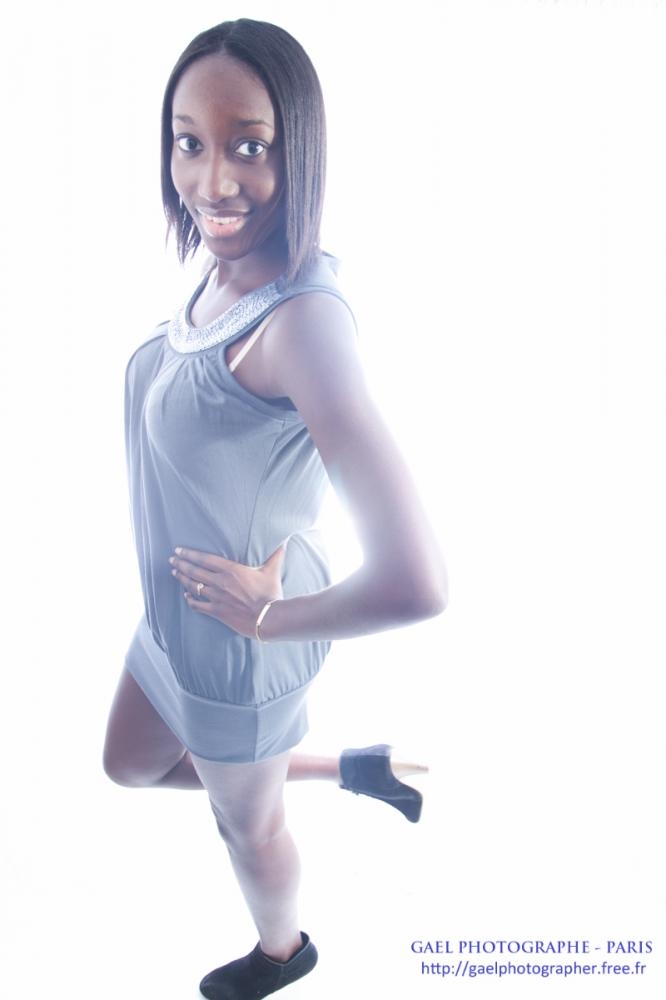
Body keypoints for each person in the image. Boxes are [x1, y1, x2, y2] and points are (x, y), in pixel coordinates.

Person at [103, 18, 447, 1000]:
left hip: (238, 649)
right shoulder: (223, 269)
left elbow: (419, 581)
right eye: (190, 141)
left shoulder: (304, 323)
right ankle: (355, 766)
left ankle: (282, 951)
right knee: (128, 763)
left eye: (249, 146)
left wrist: (268, 618)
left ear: (298, 149)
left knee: (244, 826)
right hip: (179, 616)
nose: (213, 181)